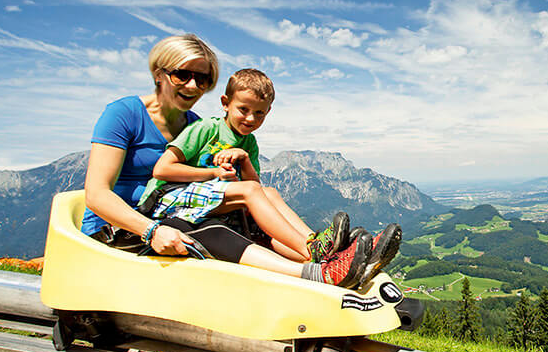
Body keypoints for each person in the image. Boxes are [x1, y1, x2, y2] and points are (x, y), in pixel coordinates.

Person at [82, 33, 395, 289]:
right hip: (126, 224)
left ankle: (331, 260)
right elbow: (97, 194)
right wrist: (151, 230)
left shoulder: (195, 124)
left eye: (202, 78)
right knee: (228, 221)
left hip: (182, 213)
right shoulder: (125, 114)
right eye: (182, 74)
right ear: (158, 74)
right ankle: (321, 264)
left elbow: (240, 183)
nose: (193, 85)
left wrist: (236, 170)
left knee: (259, 215)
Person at [139, 68, 399, 287]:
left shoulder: (249, 142)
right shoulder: (207, 129)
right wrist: (213, 172)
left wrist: (243, 158)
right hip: (167, 200)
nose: (251, 118)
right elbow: (162, 170)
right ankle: (316, 252)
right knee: (253, 193)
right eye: (243, 109)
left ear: (268, 112)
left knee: (270, 193)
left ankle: (321, 248)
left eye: (260, 113)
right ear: (225, 103)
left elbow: (256, 187)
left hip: (205, 202)